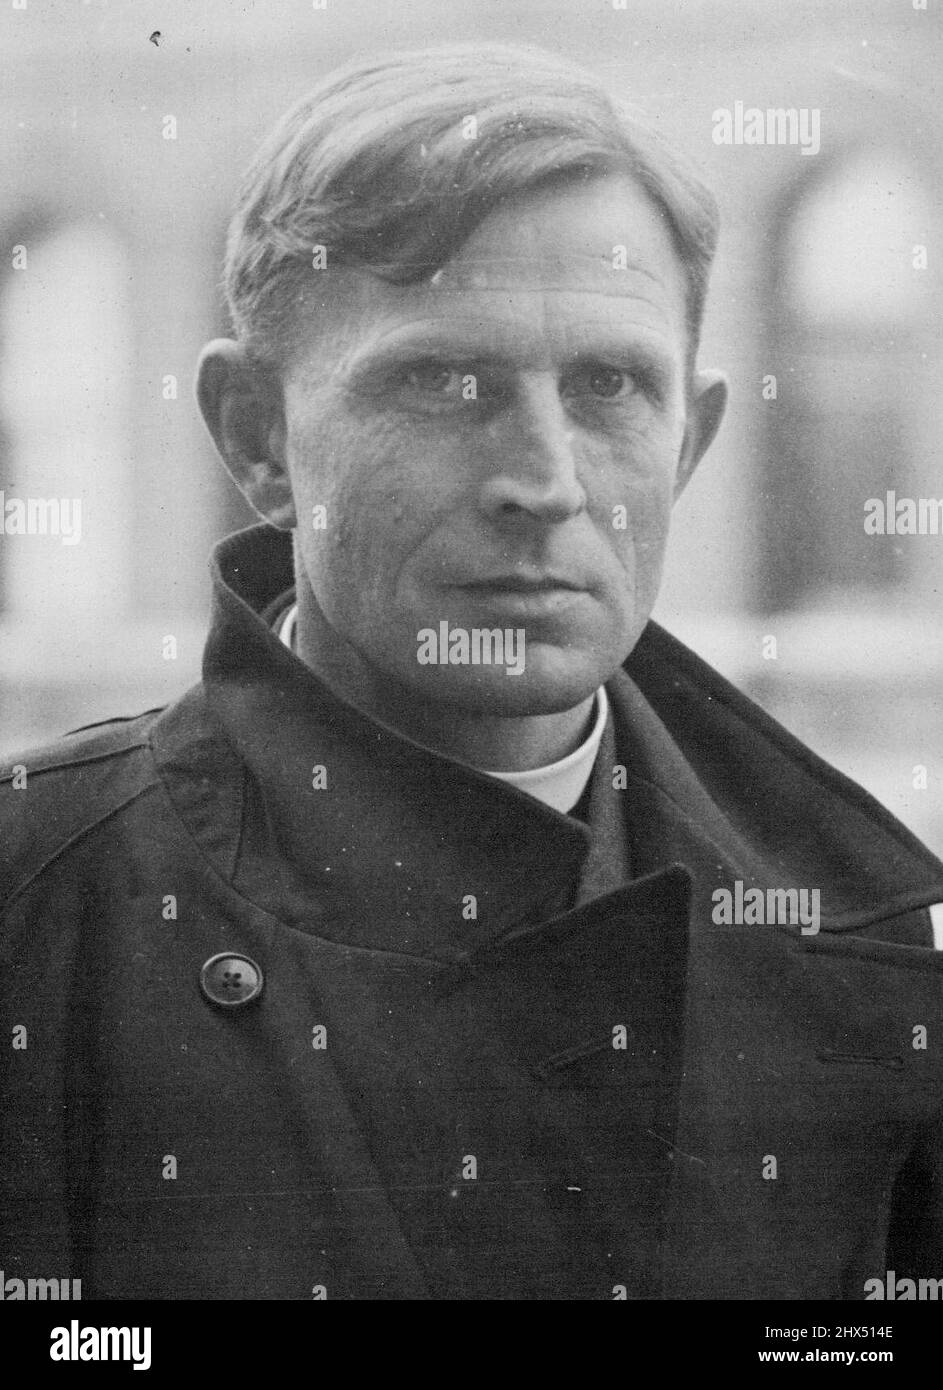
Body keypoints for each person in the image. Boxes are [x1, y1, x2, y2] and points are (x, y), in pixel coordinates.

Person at [2, 42, 942, 1302]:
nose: (545, 481)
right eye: (444, 383)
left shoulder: (873, 967)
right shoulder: (40, 908)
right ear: (258, 437)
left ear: (690, 441)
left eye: (609, 387)